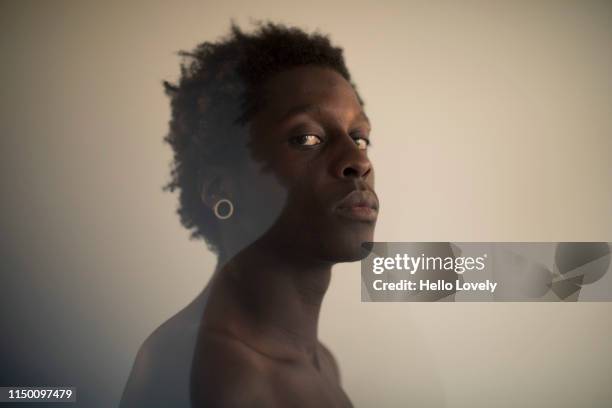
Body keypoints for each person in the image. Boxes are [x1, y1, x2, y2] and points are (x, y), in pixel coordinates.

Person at [120, 21, 379, 408]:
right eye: (307, 138)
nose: (358, 160)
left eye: (359, 137)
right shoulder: (198, 368)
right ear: (221, 189)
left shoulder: (321, 363)